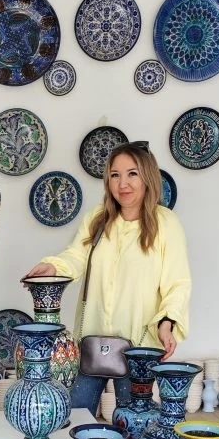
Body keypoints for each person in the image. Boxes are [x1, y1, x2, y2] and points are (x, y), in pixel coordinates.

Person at [23, 141, 191, 417]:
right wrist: (52, 266)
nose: (122, 183)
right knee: (74, 415)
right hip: (92, 340)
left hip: (139, 346)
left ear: (147, 177)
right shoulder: (98, 219)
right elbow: (76, 256)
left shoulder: (166, 224)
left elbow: (178, 282)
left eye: (132, 173)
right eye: (115, 175)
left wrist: (167, 322)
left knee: (133, 421)